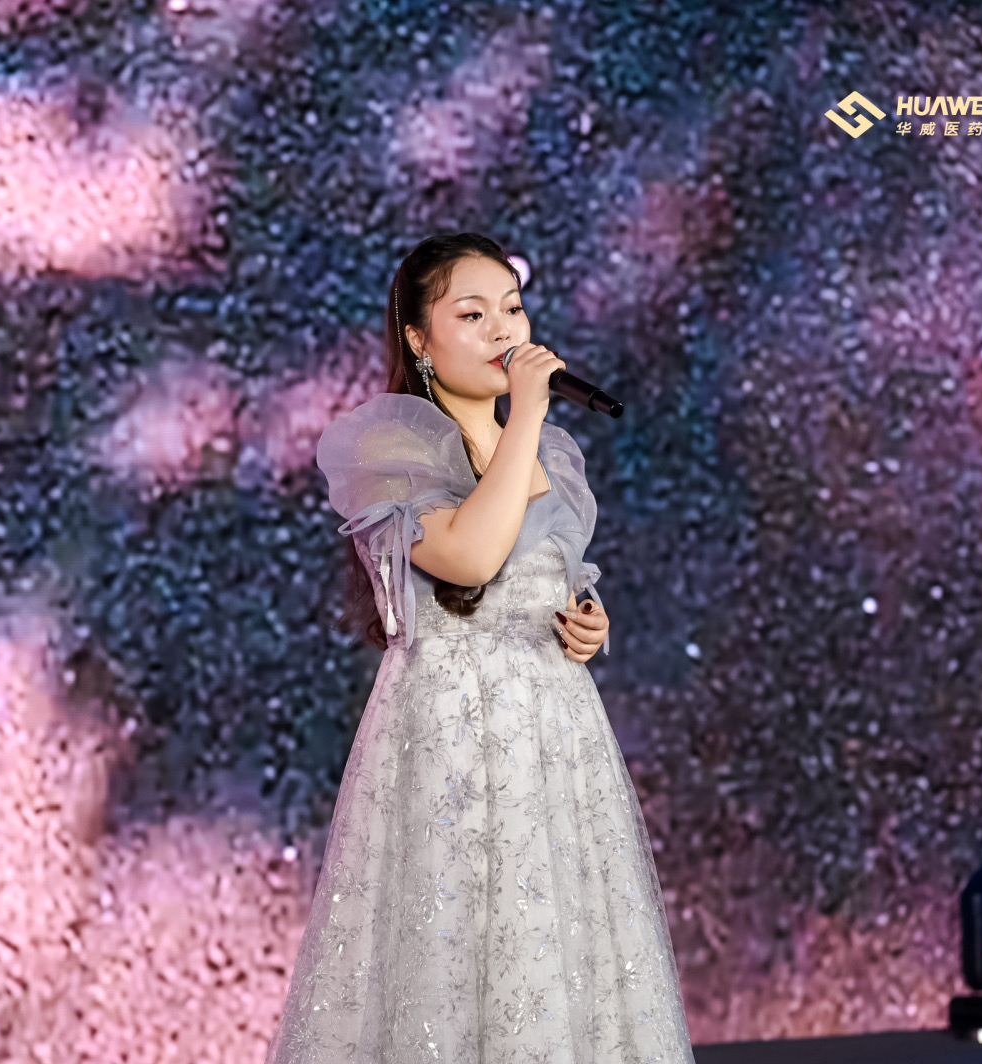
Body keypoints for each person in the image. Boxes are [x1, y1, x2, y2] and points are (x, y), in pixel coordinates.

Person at [265, 232, 695, 1063]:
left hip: (556, 734)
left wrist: (587, 620)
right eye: (472, 314)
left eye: (513, 309)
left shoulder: (552, 455)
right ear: (419, 339)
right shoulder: (387, 446)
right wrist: (525, 414)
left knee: (560, 950)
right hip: (452, 737)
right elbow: (468, 557)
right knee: (454, 953)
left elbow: (545, 575)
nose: (503, 329)